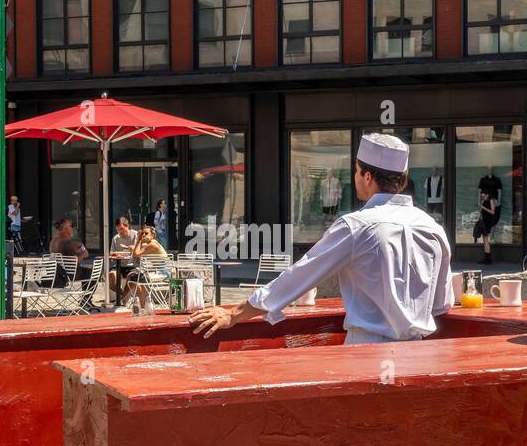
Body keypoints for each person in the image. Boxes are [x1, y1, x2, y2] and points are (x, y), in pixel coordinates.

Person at [191, 133, 454, 345]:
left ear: (367, 176)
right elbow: (443, 303)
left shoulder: (356, 225)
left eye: (356, 170)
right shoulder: (433, 228)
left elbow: (301, 274)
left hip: (368, 353)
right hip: (420, 354)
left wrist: (234, 314)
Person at [126, 224, 168, 309]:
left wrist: (139, 240)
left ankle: (139, 305)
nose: (144, 235)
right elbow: (138, 252)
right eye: (142, 234)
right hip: (159, 272)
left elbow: (136, 254)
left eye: (146, 233)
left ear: (152, 235)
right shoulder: (152, 244)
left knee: (135, 278)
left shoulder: (152, 245)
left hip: (163, 273)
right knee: (134, 277)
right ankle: (143, 305)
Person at [108, 216, 136, 305]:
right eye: (118, 230)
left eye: (121, 229)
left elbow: (139, 251)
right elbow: (111, 253)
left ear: (127, 226)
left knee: (131, 277)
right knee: (111, 277)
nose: (119, 232)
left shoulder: (135, 235)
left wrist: (133, 249)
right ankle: (123, 296)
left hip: (132, 265)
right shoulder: (116, 238)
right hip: (118, 265)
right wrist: (114, 254)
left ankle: (122, 299)